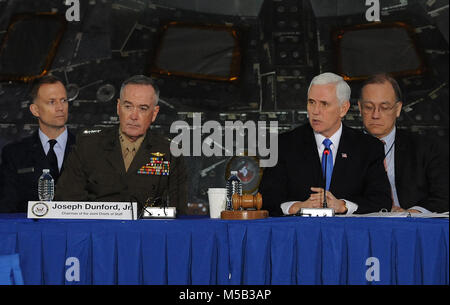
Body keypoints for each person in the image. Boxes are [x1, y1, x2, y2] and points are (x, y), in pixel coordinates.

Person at [259, 72, 391, 216]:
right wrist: (297, 207)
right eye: (311, 102)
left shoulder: (369, 148)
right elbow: (266, 199)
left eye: (324, 104)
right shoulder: (283, 145)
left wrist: (343, 206)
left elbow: (381, 201)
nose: (315, 111)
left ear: (343, 109)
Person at [55, 75, 188, 214]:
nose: (134, 116)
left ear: (154, 113)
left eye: (142, 108)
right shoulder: (88, 145)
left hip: (147, 232)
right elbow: (66, 202)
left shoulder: (170, 152)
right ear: (119, 108)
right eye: (128, 106)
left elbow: (177, 212)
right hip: (96, 231)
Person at [358, 73, 449, 213]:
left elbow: (443, 195)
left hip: (414, 227)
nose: (375, 115)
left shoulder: (425, 147)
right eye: (369, 107)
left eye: (384, 107)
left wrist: (411, 214)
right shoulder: (344, 147)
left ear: (398, 109)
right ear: (359, 108)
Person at [0, 75, 76, 213]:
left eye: (64, 100)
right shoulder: (15, 154)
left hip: (79, 232)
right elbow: (7, 208)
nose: (60, 108)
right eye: (52, 102)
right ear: (35, 110)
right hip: (30, 232)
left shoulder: (88, 149)